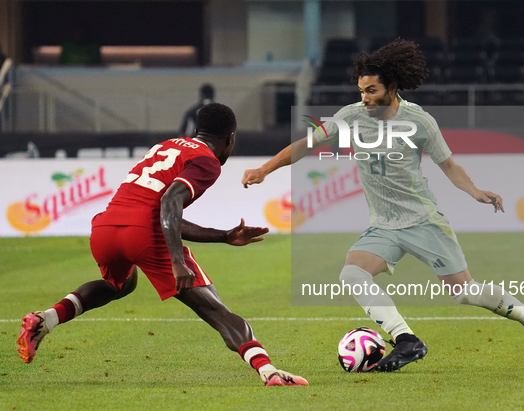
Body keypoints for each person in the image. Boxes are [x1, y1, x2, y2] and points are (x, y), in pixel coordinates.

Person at [242, 40, 524, 372]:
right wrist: (265, 169)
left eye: (372, 90)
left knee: (464, 292)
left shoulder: (420, 121)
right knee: (352, 273)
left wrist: (475, 191)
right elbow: (307, 143)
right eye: (361, 90)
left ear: (392, 87)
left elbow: (448, 165)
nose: (364, 98)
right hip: (384, 225)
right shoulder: (348, 117)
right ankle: (406, 339)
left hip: (423, 221)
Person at [17, 103, 308, 387]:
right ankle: (268, 371)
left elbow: (159, 210)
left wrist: (222, 235)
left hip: (105, 227)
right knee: (216, 309)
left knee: (120, 283)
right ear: (230, 139)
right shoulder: (207, 161)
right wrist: (177, 260)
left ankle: (46, 319)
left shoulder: (167, 145)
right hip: (143, 234)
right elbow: (169, 203)